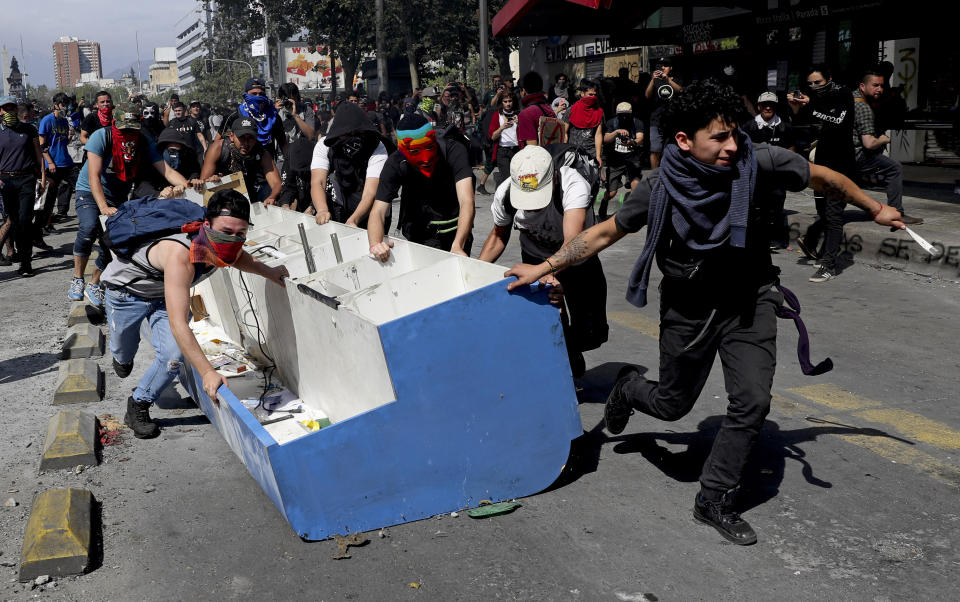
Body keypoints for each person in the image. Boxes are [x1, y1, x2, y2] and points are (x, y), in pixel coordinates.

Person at [504, 79, 906, 546]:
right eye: (719, 137)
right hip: (689, 306)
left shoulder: (758, 160)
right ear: (683, 141)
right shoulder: (657, 186)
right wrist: (545, 266)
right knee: (673, 406)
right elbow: (603, 234)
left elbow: (825, 178)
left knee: (752, 400)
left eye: (735, 133)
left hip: (749, 296)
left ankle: (714, 497)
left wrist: (876, 207)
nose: (733, 146)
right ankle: (630, 390)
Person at [100, 190, 289, 438]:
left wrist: (269, 272)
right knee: (123, 352)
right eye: (225, 231)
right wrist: (207, 372)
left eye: (239, 234)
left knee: (172, 356)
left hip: (162, 298)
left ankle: (139, 404)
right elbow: (180, 325)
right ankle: (122, 358)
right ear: (207, 225)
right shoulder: (181, 254)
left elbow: (241, 259)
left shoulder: (222, 246)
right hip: (126, 295)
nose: (232, 239)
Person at [479, 145, 607, 378]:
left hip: (578, 262)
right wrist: (473, 272)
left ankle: (573, 348)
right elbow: (498, 236)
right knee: (548, 324)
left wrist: (548, 271)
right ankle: (562, 367)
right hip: (534, 259)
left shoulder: (574, 185)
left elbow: (572, 243)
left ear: (555, 178)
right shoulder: (506, 193)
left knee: (591, 333)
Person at [69, 104, 192, 307]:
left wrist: (187, 186)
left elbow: (166, 171)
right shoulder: (101, 137)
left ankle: (94, 283)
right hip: (90, 192)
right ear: (115, 123)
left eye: (133, 129)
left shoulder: (143, 141)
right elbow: (94, 177)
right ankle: (77, 279)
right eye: (124, 129)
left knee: (114, 241)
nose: (129, 133)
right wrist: (102, 208)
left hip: (117, 196)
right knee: (89, 228)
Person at [368, 113, 475, 261]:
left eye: (429, 147)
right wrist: (375, 244)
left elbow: (467, 201)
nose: (426, 158)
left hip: (457, 230)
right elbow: (378, 210)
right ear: (403, 150)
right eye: (415, 151)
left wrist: (458, 244)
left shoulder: (453, 150)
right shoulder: (395, 162)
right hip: (421, 233)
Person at [788, 64, 857, 282]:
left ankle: (828, 266)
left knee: (834, 214)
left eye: (818, 82)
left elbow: (836, 120)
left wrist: (810, 104)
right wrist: (797, 108)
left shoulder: (843, 94)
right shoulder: (817, 101)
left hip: (841, 163)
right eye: (810, 84)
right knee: (824, 213)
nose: (814, 87)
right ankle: (818, 249)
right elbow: (802, 123)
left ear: (829, 78)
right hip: (822, 161)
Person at [852, 68, 922, 225]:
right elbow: (869, 144)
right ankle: (897, 213)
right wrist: (883, 140)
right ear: (863, 86)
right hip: (857, 155)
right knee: (895, 168)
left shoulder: (849, 99)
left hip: (843, 154)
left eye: (881, 86)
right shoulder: (863, 108)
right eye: (875, 85)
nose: (880, 89)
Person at [310, 101, 389, 227]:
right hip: (340, 202)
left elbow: (370, 192)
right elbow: (318, 181)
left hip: (372, 208)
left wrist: (354, 220)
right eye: (346, 135)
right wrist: (322, 210)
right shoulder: (325, 145)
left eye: (358, 133)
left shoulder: (376, 146)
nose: (353, 139)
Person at [742, 91, 796, 248]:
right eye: (764, 105)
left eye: (771, 105)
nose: (767, 107)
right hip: (756, 175)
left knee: (777, 207)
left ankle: (775, 240)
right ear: (759, 107)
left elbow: (791, 149)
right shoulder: (749, 126)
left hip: (777, 176)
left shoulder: (785, 127)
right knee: (756, 207)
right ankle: (756, 239)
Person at [0, 97, 45, 276]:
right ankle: (19, 256)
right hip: (6, 182)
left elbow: (38, 155)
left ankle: (26, 263)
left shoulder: (28, 129)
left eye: (12, 108)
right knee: (15, 223)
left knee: (25, 220)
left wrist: (42, 179)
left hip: (26, 179)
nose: (9, 111)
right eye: (5, 108)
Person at [202, 117, 282, 205]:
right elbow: (204, 182)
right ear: (232, 136)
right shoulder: (218, 148)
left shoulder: (261, 152)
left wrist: (272, 197)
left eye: (250, 138)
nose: (246, 143)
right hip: (221, 195)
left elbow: (276, 183)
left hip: (249, 192)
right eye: (241, 138)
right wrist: (213, 179)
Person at [34, 93, 73, 247]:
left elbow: (61, 141)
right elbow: (42, 146)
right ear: (55, 104)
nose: (65, 107)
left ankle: (42, 227)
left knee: (55, 197)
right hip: (53, 164)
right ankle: (37, 230)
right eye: (62, 104)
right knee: (46, 200)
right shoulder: (46, 120)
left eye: (66, 104)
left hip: (66, 161)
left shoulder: (64, 121)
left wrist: (69, 136)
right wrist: (49, 162)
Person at [217, 78, 287, 158]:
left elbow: (283, 144)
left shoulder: (272, 117)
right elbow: (218, 141)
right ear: (246, 94)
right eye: (254, 94)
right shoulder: (234, 115)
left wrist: (289, 164)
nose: (258, 97)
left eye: (261, 94)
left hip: (267, 164)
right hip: (241, 164)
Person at [600, 102, 644, 219]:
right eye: (621, 114)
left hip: (632, 160)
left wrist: (632, 142)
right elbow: (605, 139)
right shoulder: (611, 123)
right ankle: (603, 206)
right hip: (615, 161)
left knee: (636, 187)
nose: (624, 117)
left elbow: (640, 138)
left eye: (626, 114)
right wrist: (616, 132)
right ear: (617, 114)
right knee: (611, 193)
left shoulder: (637, 122)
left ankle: (630, 213)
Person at [645, 57, 682, 168]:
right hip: (656, 120)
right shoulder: (655, 80)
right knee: (655, 150)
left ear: (670, 68)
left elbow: (681, 91)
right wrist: (653, 80)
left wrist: (669, 80)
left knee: (674, 148)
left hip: (673, 119)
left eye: (665, 65)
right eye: (661, 65)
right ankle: (655, 177)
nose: (663, 68)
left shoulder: (676, 79)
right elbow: (647, 95)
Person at [566, 80, 604, 169]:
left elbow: (598, 135)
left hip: (591, 154)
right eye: (590, 95)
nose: (593, 97)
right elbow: (564, 132)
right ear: (582, 94)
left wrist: (598, 156)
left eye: (595, 95)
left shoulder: (599, 112)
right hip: (573, 154)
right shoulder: (571, 110)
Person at [516, 71, 556, 148]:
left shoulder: (525, 114)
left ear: (523, 91)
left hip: (536, 158)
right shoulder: (549, 109)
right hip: (552, 155)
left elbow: (532, 147)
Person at [488, 92, 520, 187]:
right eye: (505, 101)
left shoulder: (519, 114)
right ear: (501, 102)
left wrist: (520, 123)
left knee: (517, 178)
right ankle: (504, 199)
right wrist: (502, 128)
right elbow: (493, 137)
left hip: (516, 150)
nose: (508, 103)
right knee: (507, 179)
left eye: (510, 101)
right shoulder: (497, 115)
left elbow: (524, 133)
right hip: (503, 151)